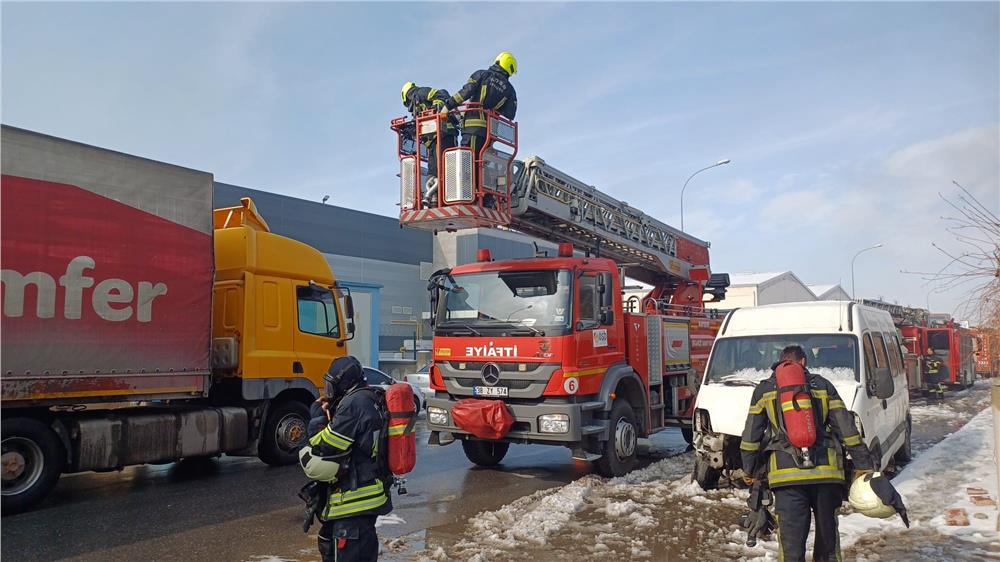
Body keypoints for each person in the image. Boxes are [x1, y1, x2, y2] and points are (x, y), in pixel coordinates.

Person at [740, 345, 874, 562]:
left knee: (791, 547)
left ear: (782, 363)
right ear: (803, 363)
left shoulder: (764, 390)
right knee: (828, 545)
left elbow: (750, 438)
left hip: (786, 479)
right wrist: (864, 464)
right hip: (827, 476)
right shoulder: (822, 385)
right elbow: (847, 429)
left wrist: (749, 471)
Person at [301, 356, 391, 562]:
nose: (328, 390)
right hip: (364, 495)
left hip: (354, 500)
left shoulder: (354, 404)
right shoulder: (368, 397)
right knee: (329, 541)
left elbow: (325, 446)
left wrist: (316, 420)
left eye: (331, 385)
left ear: (345, 383)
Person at [443, 51, 518, 159]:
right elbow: (510, 114)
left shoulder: (482, 75)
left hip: (472, 128)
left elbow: (465, 92)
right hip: (490, 133)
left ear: (498, 61)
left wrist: (447, 106)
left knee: (468, 160)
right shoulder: (510, 90)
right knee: (481, 162)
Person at [401, 82, 458, 203]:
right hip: (433, 140)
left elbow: (442, 94)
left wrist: (436, 108)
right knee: (433, 169)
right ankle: (434, 197)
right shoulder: (417, 108)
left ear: (406, 97)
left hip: (445, 133)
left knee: (444, 166)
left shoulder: (421, 92)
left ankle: (447, 196)